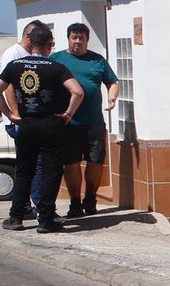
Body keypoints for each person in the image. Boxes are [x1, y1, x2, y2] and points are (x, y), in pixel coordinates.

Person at [0, 26, 83, 233]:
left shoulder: (15, 66)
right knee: (50, 171)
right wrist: (67, 114)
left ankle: (16, 217)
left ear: (31, 43)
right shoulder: (56, 68)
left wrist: (11, 114)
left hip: (25, 125)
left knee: (24, 170)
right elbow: (77, 92)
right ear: (49, 46)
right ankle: (46, 219)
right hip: (50, 125)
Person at [50, 22, 120, 217]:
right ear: (68, 39)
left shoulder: (97, 60)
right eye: (74, 37)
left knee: (95, 162)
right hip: (68, 123)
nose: (78, 41)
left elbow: (113, 82)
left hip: (94, 122)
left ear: (87, 40)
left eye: (82, 38)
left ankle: (90, 199)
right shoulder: (57, 59)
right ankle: (75, 203)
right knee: (71, 163)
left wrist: (112, 97)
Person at [0, 20, 50, 217]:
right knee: (31, 166)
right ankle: (34, 207)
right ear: (29, 36)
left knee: (30, 166)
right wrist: (14, 115)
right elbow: (7, 86)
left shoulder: (29, 56)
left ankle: (25, 207)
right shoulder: (14, 55)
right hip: (20, 122)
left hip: (31, 121)